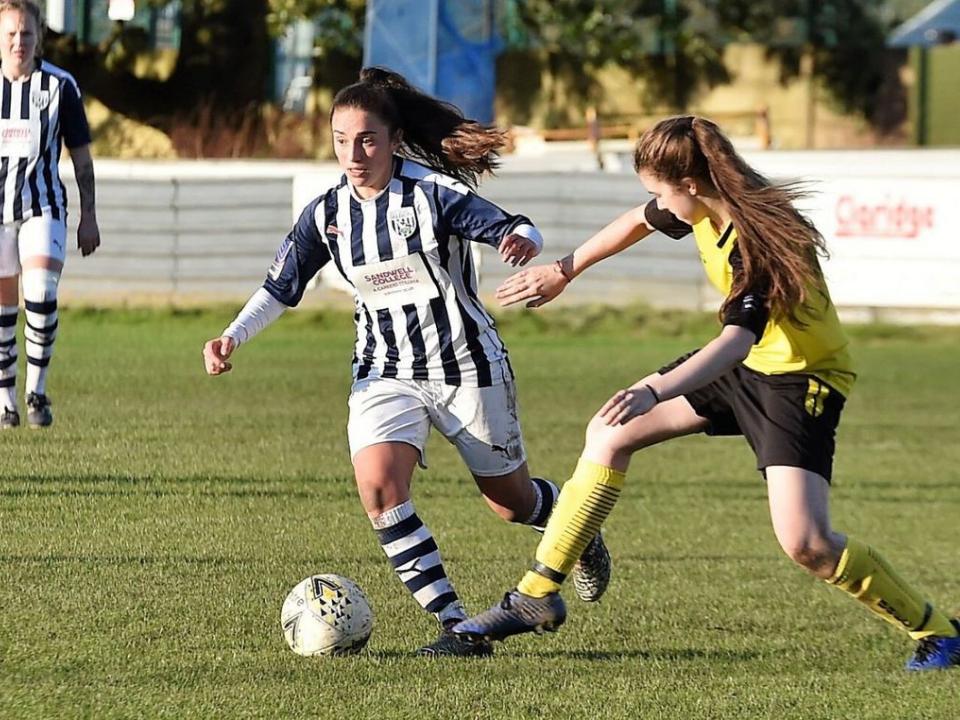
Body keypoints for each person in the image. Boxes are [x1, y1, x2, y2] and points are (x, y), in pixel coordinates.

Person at [453, 115, 960, 671]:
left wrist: (654, 389)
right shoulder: (699, 204)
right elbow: (638, 221)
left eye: (661, 194)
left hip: (800, 379)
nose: (658, 206)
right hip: (746, 363)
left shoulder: (757, 242)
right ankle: (537, 594)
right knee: (609, 432)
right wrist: (565, 270)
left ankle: (938, 633)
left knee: (807, 543)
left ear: (691, 185)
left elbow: (735, 343)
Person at [202, 67, 609, 657]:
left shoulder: (431, 194)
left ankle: (580, 531)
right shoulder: (326, 214)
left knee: (511, 504)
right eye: (342, 140)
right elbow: (281, 287)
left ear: (394, 140)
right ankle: (458, 626)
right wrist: (231, 336)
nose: (354, 154)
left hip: (466, 366)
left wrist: (523, 240)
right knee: (379, 489)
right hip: (383, 371)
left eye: (367, 140)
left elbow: (514, 224)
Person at [0, 0, 100, 429]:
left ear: (39, 35)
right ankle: (6, 402)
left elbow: (82, 158)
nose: (18, 42)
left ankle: (36, 391)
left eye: (26, 33)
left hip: (43, 207)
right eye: (10, 34)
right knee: (3, 311)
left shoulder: (60, 86)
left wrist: (89, 215)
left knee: (41, 295)